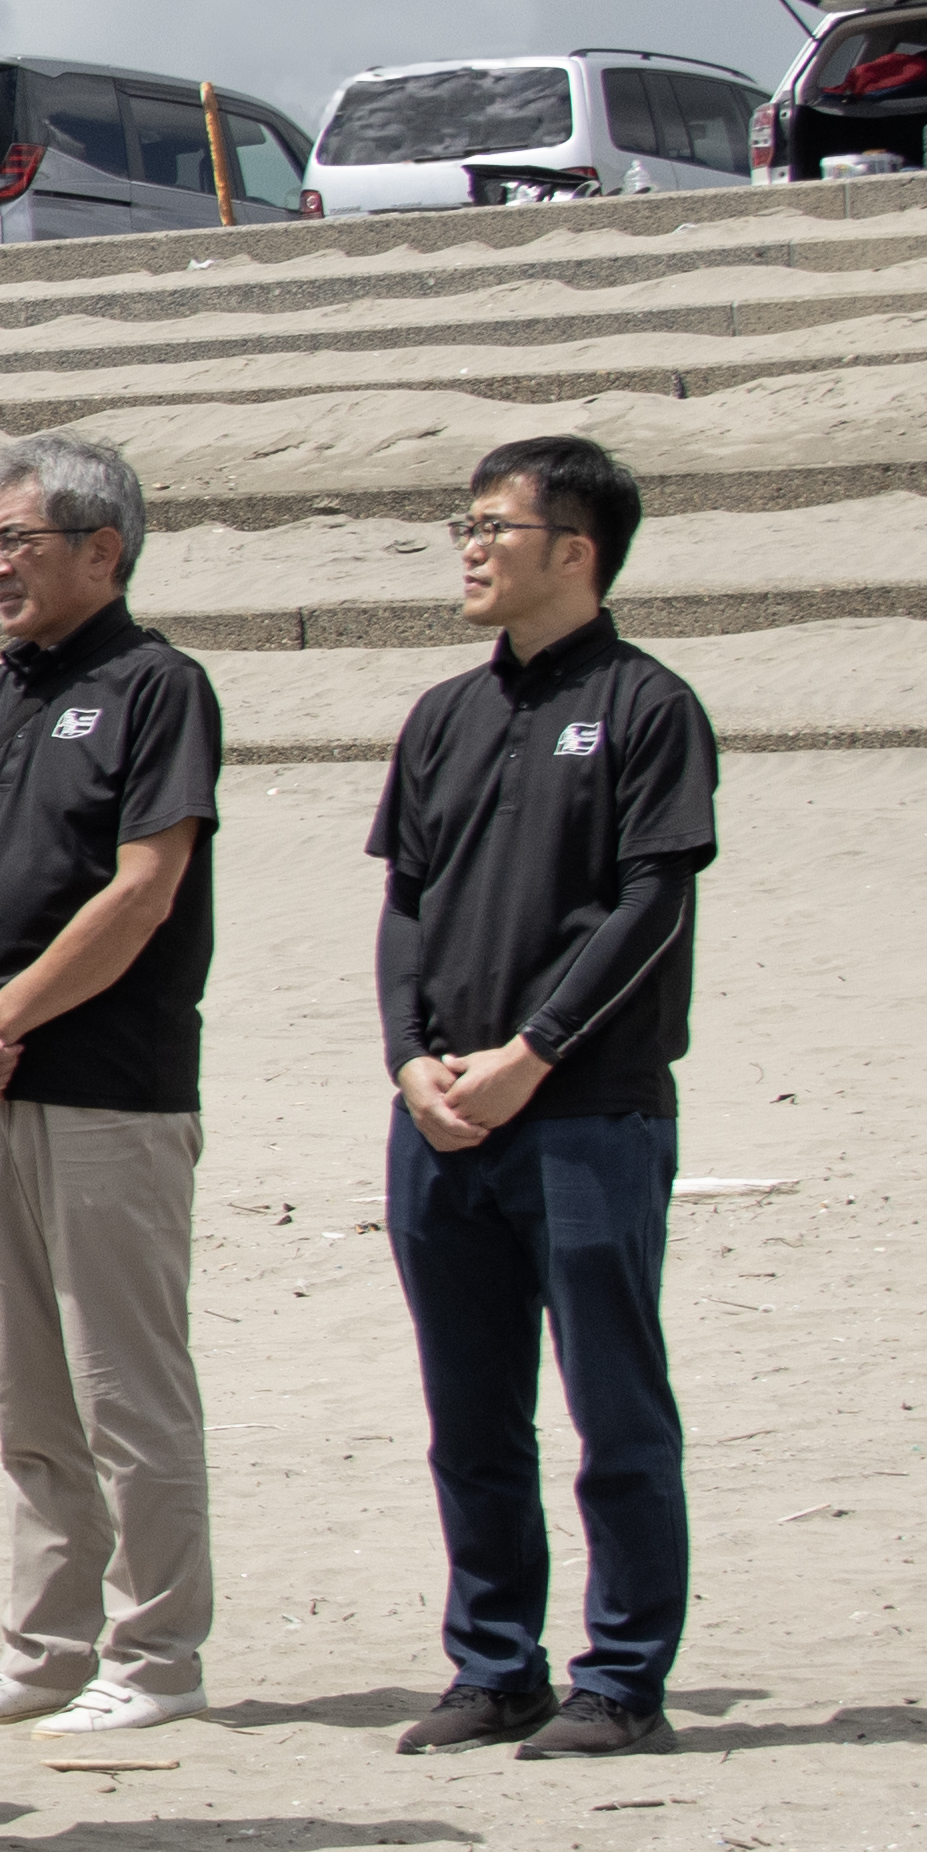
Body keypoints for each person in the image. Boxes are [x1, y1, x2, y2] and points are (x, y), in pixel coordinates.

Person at [368, 432, 722, 1760]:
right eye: (460, 524)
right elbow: (405, 902)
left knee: (614, 1406)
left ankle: (624, 1681)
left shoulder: (646, 705)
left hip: (586, 1114)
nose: (468, 546)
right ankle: (494, 1665)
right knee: (470, 1413)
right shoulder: (445, 716)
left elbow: (649, 904)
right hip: (442, 1116)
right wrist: (411, 1060)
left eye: (493, 526)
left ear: (572, 550)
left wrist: (534, 1053)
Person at [0, 436, 225, 1741]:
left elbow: (144, 887)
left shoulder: (159, 688)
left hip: (110, 1087)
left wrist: (10, 1015)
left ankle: (156, 1657)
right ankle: (47, 1646)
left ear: (103, 549)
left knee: (123, 1385)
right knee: (28, 1388)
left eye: (17, 542)